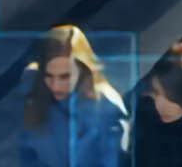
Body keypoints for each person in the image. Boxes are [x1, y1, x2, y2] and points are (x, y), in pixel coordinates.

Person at [20, 26, 130, 167]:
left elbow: (113, 161)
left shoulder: (108, 107)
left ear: (83, 70)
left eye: (65, 77)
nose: (56, 86)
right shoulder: (33, 87)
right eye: (49, 76)